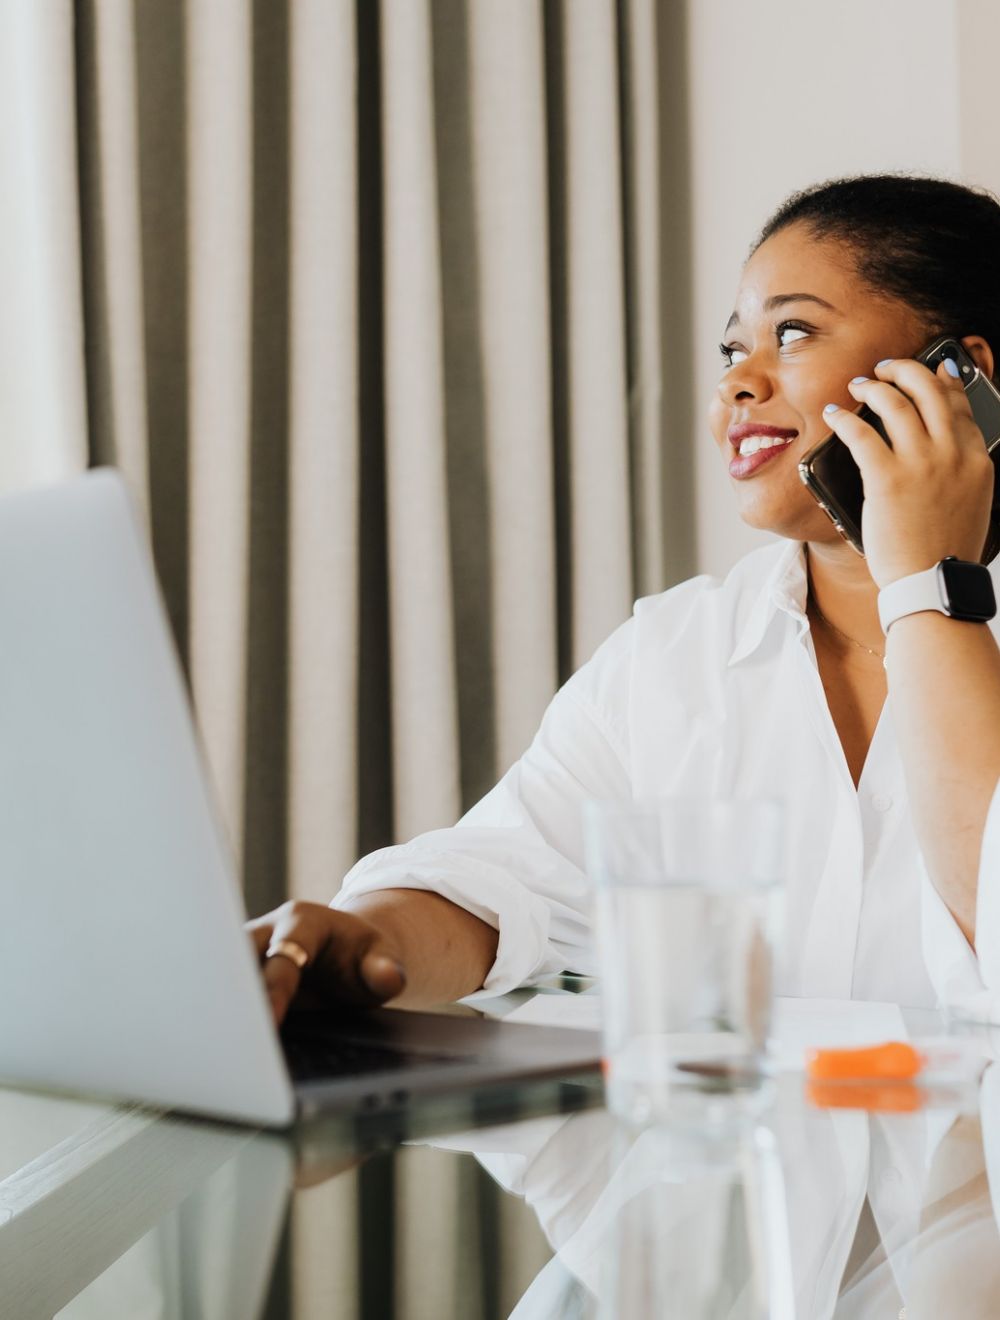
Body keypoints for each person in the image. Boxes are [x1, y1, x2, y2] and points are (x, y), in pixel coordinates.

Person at [248, 174, 1000, 1026]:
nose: (736, 387)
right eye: (730, 351)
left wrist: (930, 584)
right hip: (737, 1158)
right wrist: (358, 944)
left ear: (961, 375)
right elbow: (507, 877)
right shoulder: (679, 651)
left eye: (791, 333)